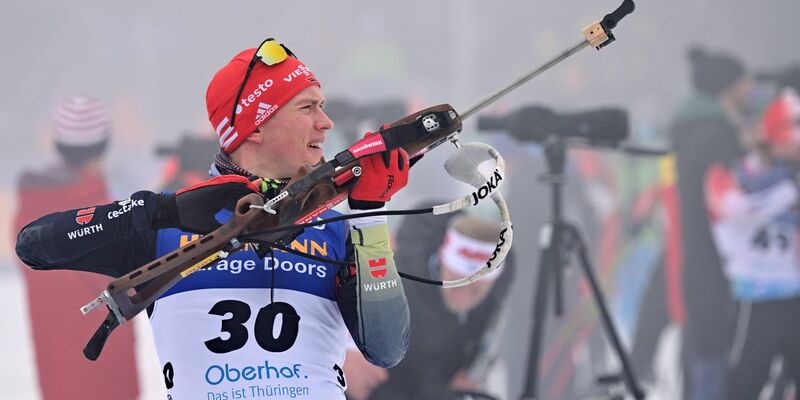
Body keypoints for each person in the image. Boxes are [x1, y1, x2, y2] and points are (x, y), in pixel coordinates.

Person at [16, 38, 411, 399]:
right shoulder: (171, 224)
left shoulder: (335, 226)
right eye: (307, 107)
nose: (325, 122)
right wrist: (164, 209)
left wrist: (370, 215)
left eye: (321, 106)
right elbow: (35, 244)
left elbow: (387, 348)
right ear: (255, 126)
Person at [12, 96, 140, 400]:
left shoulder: (28, 210)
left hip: (55, 370)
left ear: (58, 143)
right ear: (104, 144)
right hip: (108, 368)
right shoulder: (107, 213)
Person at [344, 209, 514, 400]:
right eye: (457, 284)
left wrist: (472, 372)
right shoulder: (396, 279)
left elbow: (489, 335)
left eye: (475, 290)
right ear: (441, 260)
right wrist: (349, 348)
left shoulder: (496, 292)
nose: (464, 297)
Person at [669, 46, 754, 400]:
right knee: (714, 358)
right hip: (717, 268)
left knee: (702, 352)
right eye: (745, 83)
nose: (750, 91)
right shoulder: (715, 137)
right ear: (728, 87)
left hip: (701, 265)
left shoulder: (697, 130)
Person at [704, 88, 800, 400]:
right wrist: (788, 193)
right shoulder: (726, 174)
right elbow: (737, 208)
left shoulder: (789, 174)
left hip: (795, 298)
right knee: (742, 388)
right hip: (754, 302)